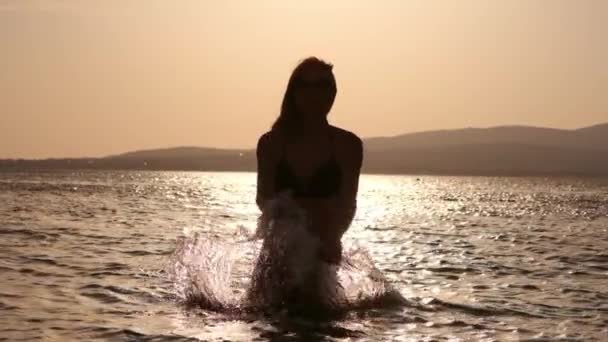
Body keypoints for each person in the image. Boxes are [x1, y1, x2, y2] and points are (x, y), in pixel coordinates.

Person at [255, 56, 363, 264]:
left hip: (325, 251)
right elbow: (263, 199)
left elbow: (347, 205)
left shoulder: (348, 145)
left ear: (333, 93)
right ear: (294, 93)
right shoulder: (271, 144)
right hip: (278, 253)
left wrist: (327, 235)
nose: (314, 93)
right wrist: (315, 210)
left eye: (322, 86)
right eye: (305, 86)